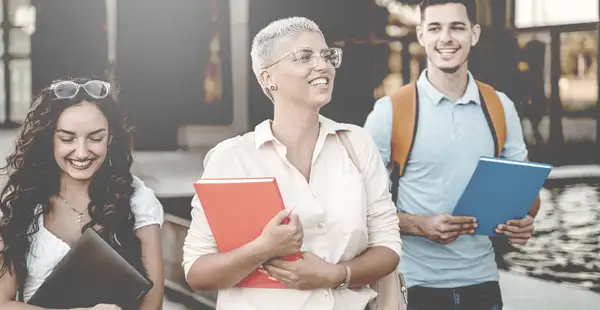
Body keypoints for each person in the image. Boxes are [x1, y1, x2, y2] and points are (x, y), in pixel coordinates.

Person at [182, 16, 402, 310]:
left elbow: (388, 246)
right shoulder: (232, 158)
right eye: (304, 56)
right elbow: (197, 272)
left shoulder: (357, 144)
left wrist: (337, 275)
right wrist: (263, 249)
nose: (322, 65)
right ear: (267, 78)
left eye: (327, 55)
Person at [363, 1, 540, 309]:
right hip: (412, 285)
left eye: (457, 27)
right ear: (420, 35)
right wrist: (420, 225)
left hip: (483, 285)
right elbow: (358, 208)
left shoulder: (500, 106)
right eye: (435, 28)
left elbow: (528, 197)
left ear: (474, 33)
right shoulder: (390, 112)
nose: (446, 38)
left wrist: (522, 221)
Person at [0, 78, 165, 310]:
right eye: (67, 138)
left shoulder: (138, 199)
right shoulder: (21, 202)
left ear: (110, 138)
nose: (81, 152)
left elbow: (153, 303)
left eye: (95, 138)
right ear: (49, 140)